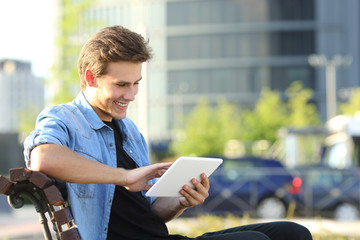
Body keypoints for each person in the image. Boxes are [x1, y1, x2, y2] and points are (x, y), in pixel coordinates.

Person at [24, 25, 312, 240]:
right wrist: (125, 176)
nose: (132, 94)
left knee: (292, 233)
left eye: (137, 83)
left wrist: (182, 201)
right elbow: (43, 159)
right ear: (90, 77)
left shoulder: (129, 131)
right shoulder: (63, 117)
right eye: (122, 84)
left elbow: (151, 212)